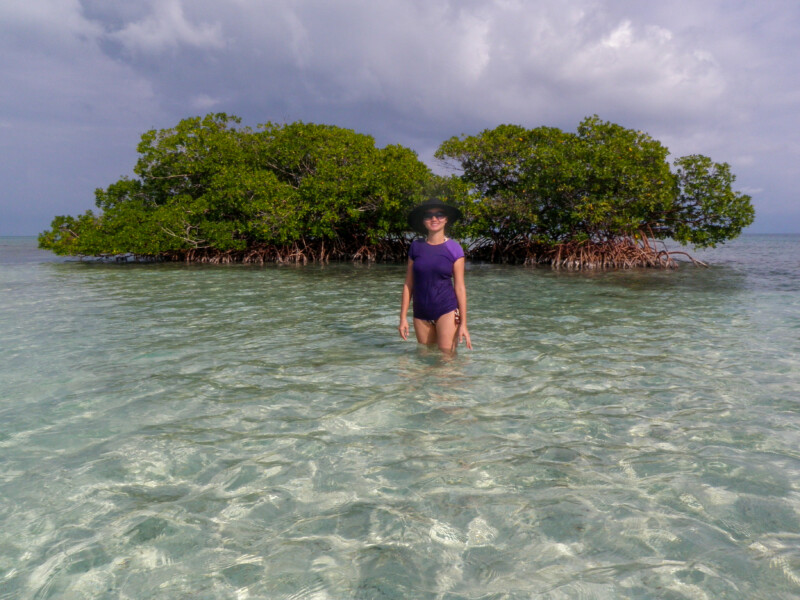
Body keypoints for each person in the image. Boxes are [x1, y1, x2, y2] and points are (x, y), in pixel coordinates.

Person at [398, 199, 472, 353]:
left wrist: (464, 324)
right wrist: (403, 318)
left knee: (447, 361)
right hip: (420, 312)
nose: (434, 219)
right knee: (425, 359)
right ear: (423, 221)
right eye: (428, 215)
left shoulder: (454, 249)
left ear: (446, 220)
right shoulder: (416, 247)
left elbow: (459, 287)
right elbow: (408, 284)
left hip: (447, 310)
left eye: (439, 215)